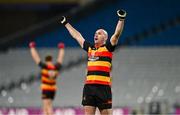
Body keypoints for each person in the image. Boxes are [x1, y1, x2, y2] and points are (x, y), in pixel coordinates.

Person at [60, 9, 126, 115]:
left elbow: (117, 34)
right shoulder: (90, 48)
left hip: (103, 88)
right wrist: (66, 23)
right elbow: (77, 36)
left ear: (105, 38)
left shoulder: (108, 48)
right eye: (95, 33)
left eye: (99, 33)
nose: (96, 34)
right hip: (89, 87)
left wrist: (121, 19)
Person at [29, 41, 65, 115]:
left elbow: (36, 58)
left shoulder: (45, 67)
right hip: (53, 89)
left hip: (46, 88)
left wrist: (32, 48)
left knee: (46, 107)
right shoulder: (55, 67)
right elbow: (60, 59)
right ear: (51, 60)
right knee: (49, 105)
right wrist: (62, 48)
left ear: (46, 61)